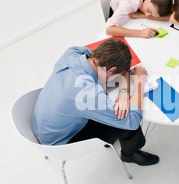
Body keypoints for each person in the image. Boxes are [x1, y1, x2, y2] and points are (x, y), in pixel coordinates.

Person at [33, 38, 159, 166]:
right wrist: (139, 80)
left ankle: (114, 141)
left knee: (115, 105)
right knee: (126, 118)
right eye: (117, 75)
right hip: (60, 142)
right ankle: (130, 154)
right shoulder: (87, 94)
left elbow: (107, 63)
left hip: (42, 127)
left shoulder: (72, 53)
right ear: (111, 70)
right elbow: (133, 120)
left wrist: (123, 94)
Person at [106, 0, 173, 38]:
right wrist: (140, 33)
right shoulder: (129, 3)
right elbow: (109, 29)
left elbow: (172, 16)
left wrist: (141, 15)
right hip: (118, 10)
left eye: (151, 14)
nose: (147, 14)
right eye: (149, 11)